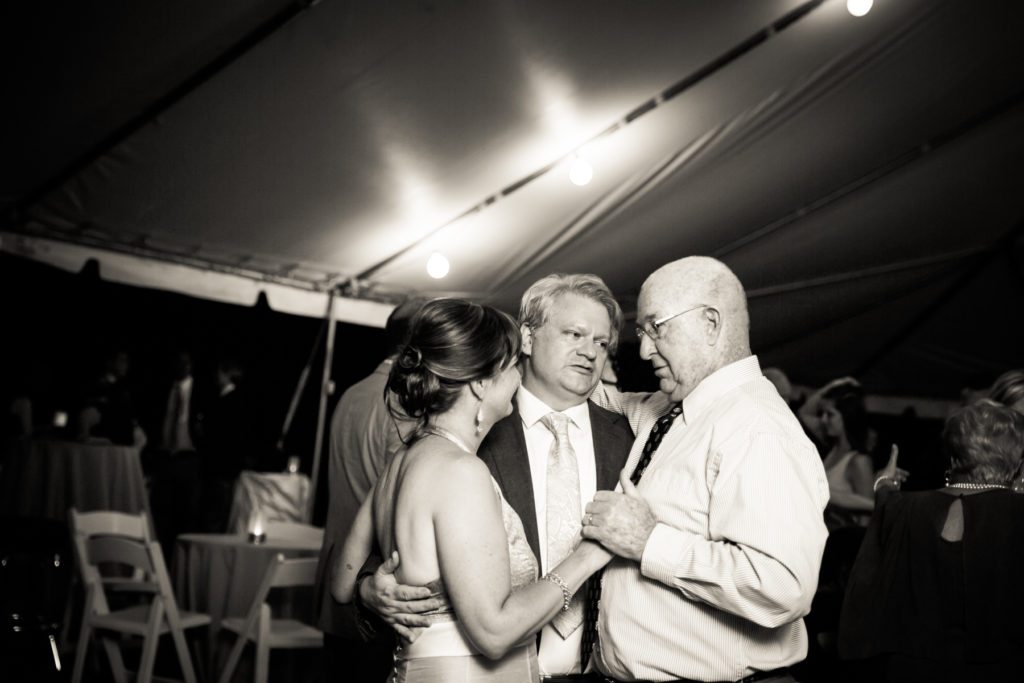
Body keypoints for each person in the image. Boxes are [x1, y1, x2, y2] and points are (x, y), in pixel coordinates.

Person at [358, 273, 635, 680]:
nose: (590, 353)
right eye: (575, 334)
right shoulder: (471, 435)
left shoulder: (630, 436)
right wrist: (370, 591)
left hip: (599, 673)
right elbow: (382, 553)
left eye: (601, 343)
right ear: (527, 336)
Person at [584, 256, 830, 682]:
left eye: (656, 328)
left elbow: (782, 585)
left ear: (711, 324)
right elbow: (604, 401)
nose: (643, 350)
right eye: (641, 333)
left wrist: (649, 542)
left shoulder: (757, 428)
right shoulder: (675, 409)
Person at [838, 401, 1024, 680]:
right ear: (1016, 460)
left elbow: (866, 592)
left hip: (913, 670)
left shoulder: (902, 507)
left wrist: (883, 485)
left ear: (951, 458)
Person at [312, 299, 421, 681]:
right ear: (416, 341)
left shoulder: (351, 394)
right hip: (374, 587)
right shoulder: (403, 403)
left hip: (335, 574)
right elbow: (396, 501)